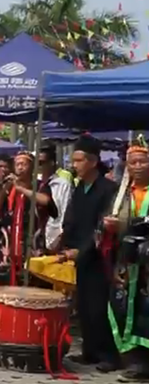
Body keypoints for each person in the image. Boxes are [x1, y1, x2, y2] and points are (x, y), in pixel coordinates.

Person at [59, 135, 121, 372]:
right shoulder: (78, 186)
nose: (74, 165)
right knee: (83, 305)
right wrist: (63, 242)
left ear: (93, 161)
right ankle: (90, 352)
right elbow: (71, 217)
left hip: (100, 256)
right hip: (78, 254)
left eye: (78, 160)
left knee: (98, 306)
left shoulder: (109, 189)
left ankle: (109, 355)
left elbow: (102, 227)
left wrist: (81, 251)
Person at [106, 136, 149, 382]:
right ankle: (134, 360)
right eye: (132, 162)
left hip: (147, 263)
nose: (137, 166)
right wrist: (109, 226)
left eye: (142, 161)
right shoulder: (121, 194)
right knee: (123, 307)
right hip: (126, 260)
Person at [0, 151, 58, 286]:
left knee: (33, 281)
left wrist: (21, 189)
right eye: (17, 164)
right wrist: (4, 189)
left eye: (24, 164)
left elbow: (46, 201)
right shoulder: (8, 187)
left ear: (32, 167)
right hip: (10, 244)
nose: (20, 167)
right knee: (8, 282)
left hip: (32, 242)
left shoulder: (40, 186)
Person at [39, 146, 72, 253]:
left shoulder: (62, 184)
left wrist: (61, 237)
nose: (38, 166)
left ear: (51, 163)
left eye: (41, 163)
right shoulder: (35, 184)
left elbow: (64, 212)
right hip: (36, 239)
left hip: (54, 239)